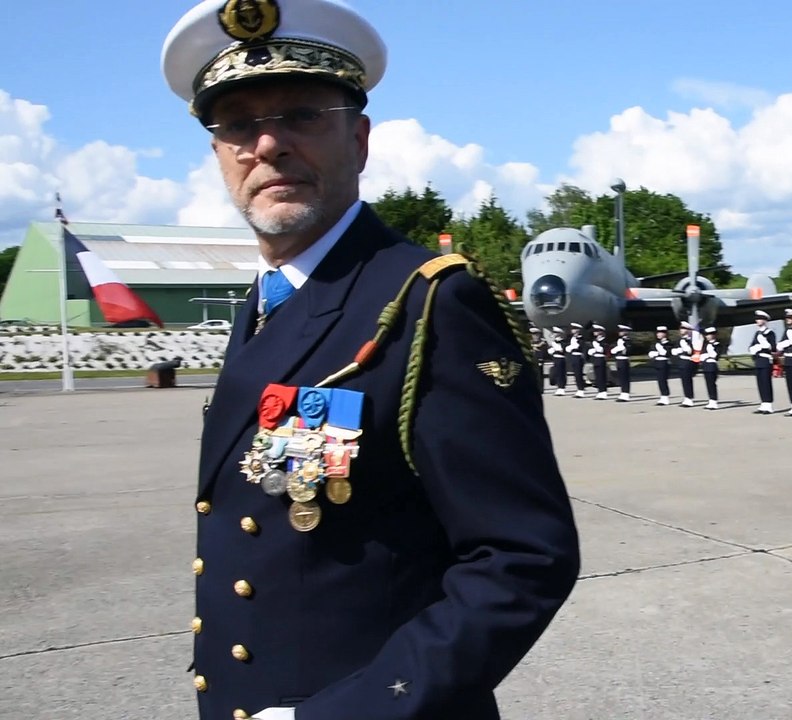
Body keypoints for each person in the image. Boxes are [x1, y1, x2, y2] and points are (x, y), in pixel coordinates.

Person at [162, 2, 580, 718]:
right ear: (219, 155)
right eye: (238, 125)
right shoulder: (264, 304)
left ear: (358, 139)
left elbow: (522, 557)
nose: (267, 144)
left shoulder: (427, 302)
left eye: (300, 116)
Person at [749, 310, 777, 414]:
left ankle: (768, 404)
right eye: (757, 319)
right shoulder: (757, 333)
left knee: (766, 382)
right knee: (760, 382)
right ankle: (763, 403)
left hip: (765, 359)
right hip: (758, 359)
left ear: (765, 320)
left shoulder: (769, 333)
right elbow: (751, 345)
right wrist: (754, 348)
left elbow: (773, 347)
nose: (757, 321)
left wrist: (763, 344)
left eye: (760, 319)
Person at [675, 321, 698, 407]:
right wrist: (678, 350)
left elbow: (690, 351)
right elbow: (674, 350)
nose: (681, 330)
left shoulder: (691, 340)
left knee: (687, 380)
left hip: (688, 361)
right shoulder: (680, 340)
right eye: (681, 328)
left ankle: (689, 398)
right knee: (684, 380)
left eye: (684, 328)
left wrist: (684, 349)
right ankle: (687, 397)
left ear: (689, 330)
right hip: (682, 361)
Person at [648, 325, 673, 405]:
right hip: (657, 363)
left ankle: (665, 396)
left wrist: (659, 350)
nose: (658, 334)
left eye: (660, 333)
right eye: (657, 333)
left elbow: (666, 353)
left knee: (663, 380)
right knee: (659, 380)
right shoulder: (655, 343)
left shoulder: (668, 343)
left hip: (664, 363)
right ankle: (662, 396)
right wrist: (656, 353)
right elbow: (651, 353)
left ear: (665, 334)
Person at [700, 327, 722, 410]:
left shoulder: (717, 344)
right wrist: (707, 355)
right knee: (708, 383)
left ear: (714, 335)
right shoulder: (705, 344)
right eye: (707, 335)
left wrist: (709, 352)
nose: (708, 336)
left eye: (710, 334)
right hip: (706, 365)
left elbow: (715, 356)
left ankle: (714, 401)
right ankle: (711, 400)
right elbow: (702, 356)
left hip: (712, 365)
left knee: (712, 383)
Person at [565, 322, 588, 397]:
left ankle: (581, 390)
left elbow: (579, 347)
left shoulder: (580, 338)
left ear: (578, 330)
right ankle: (579, 389)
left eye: (574, 329)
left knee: (578, 374)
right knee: (575, 374)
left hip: (578, 357)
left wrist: (571, 347)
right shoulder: (572, 338)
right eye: (572, 329)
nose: (572, 330)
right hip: (573, 356)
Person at [588, 323, 609, 399]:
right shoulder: (594, 341)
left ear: (601, 332)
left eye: (596, 331)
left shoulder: (604, 340)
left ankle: (603, 391)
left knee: (602, 375)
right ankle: (600, 391)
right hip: (595, 358)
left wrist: (596, 347)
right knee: (597, 376)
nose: (594, 332)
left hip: (601, 358)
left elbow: (603, 349)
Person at [613, 324, 632, 402]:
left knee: (625, 377)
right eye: (619, 331)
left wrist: (622, 348)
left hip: (624, 360)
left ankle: (626, 394)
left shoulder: (627, 341)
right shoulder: (618, 340)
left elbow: (628, 350)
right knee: (621, 377)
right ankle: (622, 392)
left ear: (626, 332)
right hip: (618, 359)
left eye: (622, 331)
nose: (620, 332)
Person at [548, 326, 567, 395]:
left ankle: (562, 387)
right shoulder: (554, 342)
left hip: (561, 358)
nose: (554, 334)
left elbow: (561, 349)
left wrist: (554, 345)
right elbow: (550, 351)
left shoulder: (563, 341)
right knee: (556, 373)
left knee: (561, 373)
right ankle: (559, 387)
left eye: (556, 333)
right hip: (555, 358)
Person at [529, 326, 547, 390]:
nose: (535, 336)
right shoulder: (530, 342)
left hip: (539, 361)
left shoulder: (542, 343)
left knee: (539, 375)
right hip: (532, 361)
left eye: (536, 334)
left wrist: (541, 359)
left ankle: (540, 388)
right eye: (533, 334)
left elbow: (543, 352)